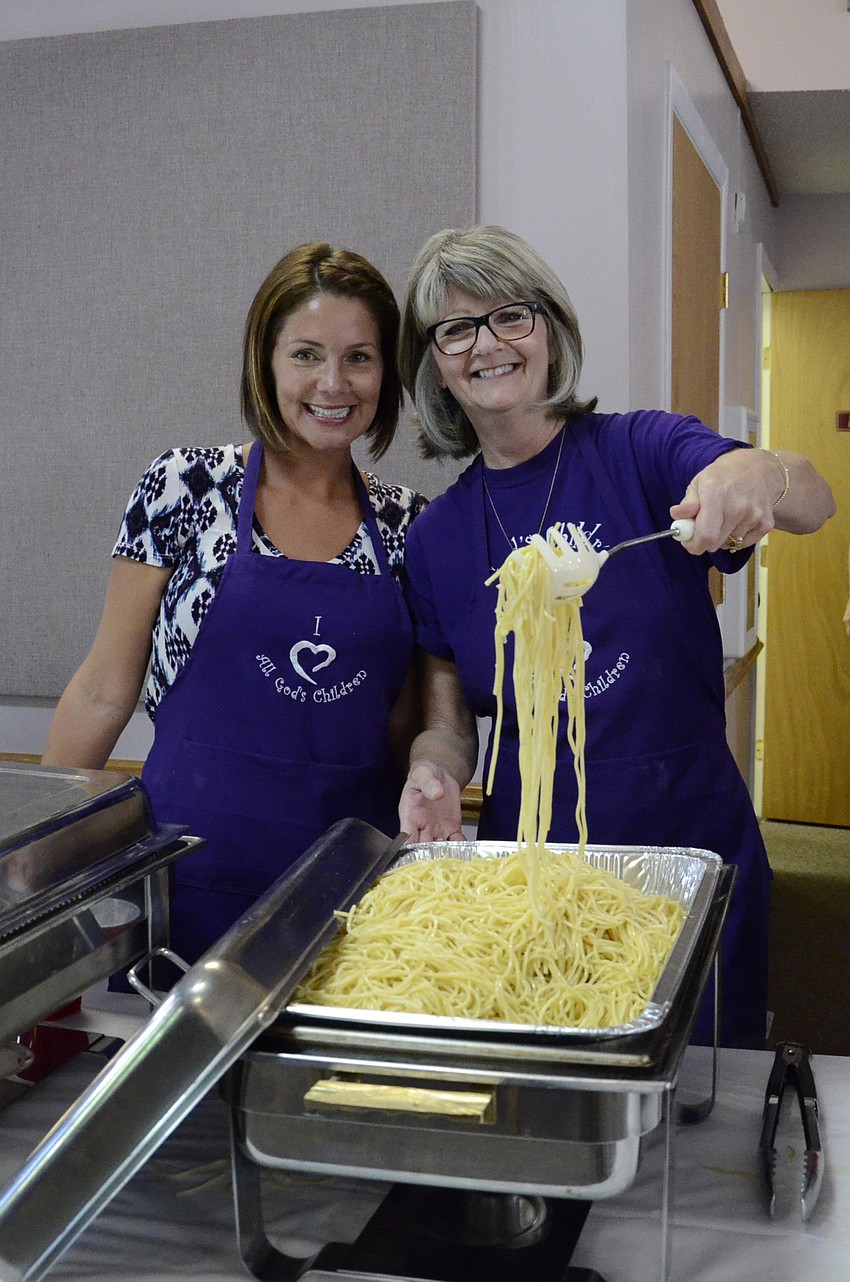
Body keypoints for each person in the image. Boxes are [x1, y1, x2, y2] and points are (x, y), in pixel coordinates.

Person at [395, 224, 836, 1048]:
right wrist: (432, 771)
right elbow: (452, 722)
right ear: (435, 363)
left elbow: (814, 496)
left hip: (691, 840)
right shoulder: (438, 538)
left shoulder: (643, 451)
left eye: (510, 316)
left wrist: (756, 473)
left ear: (550, 329)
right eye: (457, 328)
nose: (487, 344)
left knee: (702, 1096)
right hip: (537, 866)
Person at [43, 242, 427, 963]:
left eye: (360, 358)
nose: (334, 382)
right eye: (307, 354)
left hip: (352, 899)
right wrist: (28, 864)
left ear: (387, 373)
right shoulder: (185, 488)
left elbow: (405, 728)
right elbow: (101, 690)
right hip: (189, 879)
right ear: (267, 362)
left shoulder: (409, 525)